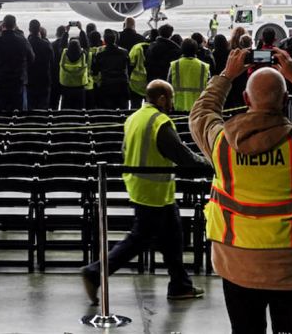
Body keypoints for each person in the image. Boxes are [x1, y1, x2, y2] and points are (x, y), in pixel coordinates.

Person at [189, 46, 292, 334]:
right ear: (285, 100)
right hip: (291, 267)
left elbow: (201, 113)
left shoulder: (221, 144)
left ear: (245, 98)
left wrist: (226, 76)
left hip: (238, 266)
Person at [81, 79, 208, 303]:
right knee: (138, 240)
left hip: (147, 190)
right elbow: (182, 156)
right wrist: (211, 164)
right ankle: (95, 273)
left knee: (173, 237)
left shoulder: (134, 117)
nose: (172, 102)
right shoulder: (159, 122)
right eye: (170, 97)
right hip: (153, 193)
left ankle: (180, 285)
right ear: (161, 98)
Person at [0, 15, 34, 112]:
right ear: (14, 25)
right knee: (17, 112)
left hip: (0, 81)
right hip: (17, 81)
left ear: (3, 25)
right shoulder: (22, 41)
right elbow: (31, 58)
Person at [167, 39, 210, 113]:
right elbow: (209, 87)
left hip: (178, 106)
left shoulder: (174, 65)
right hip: (198, 107)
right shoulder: (204, 67)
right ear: (196, 50)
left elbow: (168, 85)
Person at [92, 30, 130, 109]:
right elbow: (128, 67)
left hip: (106, 85)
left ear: (105, 41)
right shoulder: (124, 52)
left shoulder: (100, 55)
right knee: (123, 111)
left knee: (107, 112)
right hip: (121, 85)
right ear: (115, 40)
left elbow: (95, 71)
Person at [26, 19, 55, 110]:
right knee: (43, 107)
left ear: (29, 29)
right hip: (44, 80)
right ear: (39, 30)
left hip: (29, 80)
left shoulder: (25, 44)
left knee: (30, 107)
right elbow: (52, 61)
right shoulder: (47, 45)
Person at [58, 39, 90, 110]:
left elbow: (61, 45)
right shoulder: (84, 55)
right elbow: (86, 45)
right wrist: (81, 31)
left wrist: (66, 32)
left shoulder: (63, 54)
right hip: (80, 87)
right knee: (80, 109)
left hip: (66, 86)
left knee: (66, 109)